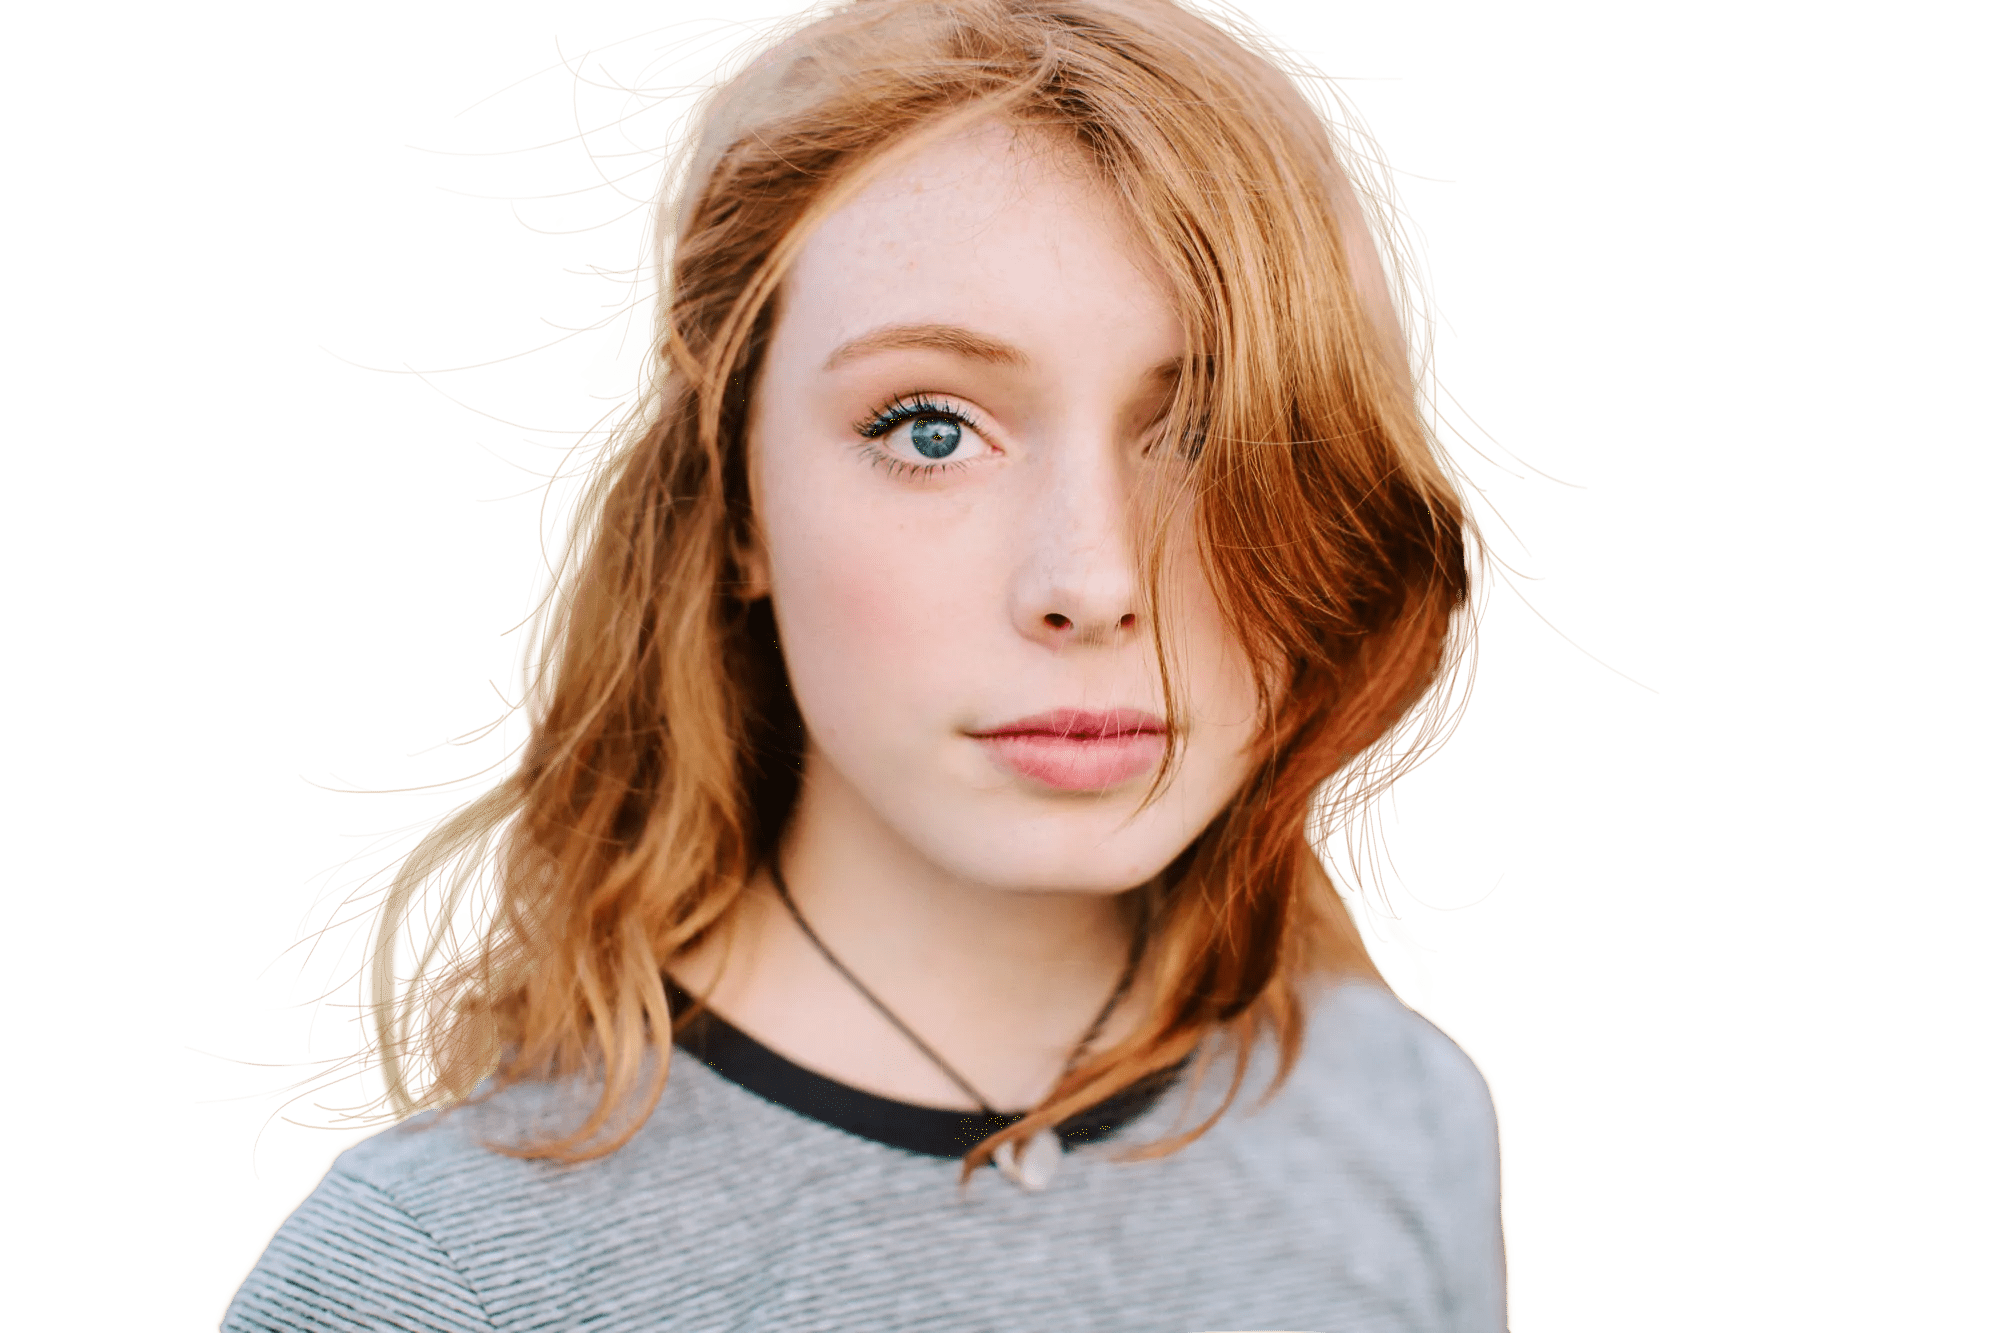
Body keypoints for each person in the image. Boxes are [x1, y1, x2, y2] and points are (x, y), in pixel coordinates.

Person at [218, 0, 1518, 1327]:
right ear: (735, 504)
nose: (1090, 581)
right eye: (931, 430)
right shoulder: (440, 1278)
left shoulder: (1402, 1117)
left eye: (1208, 430)